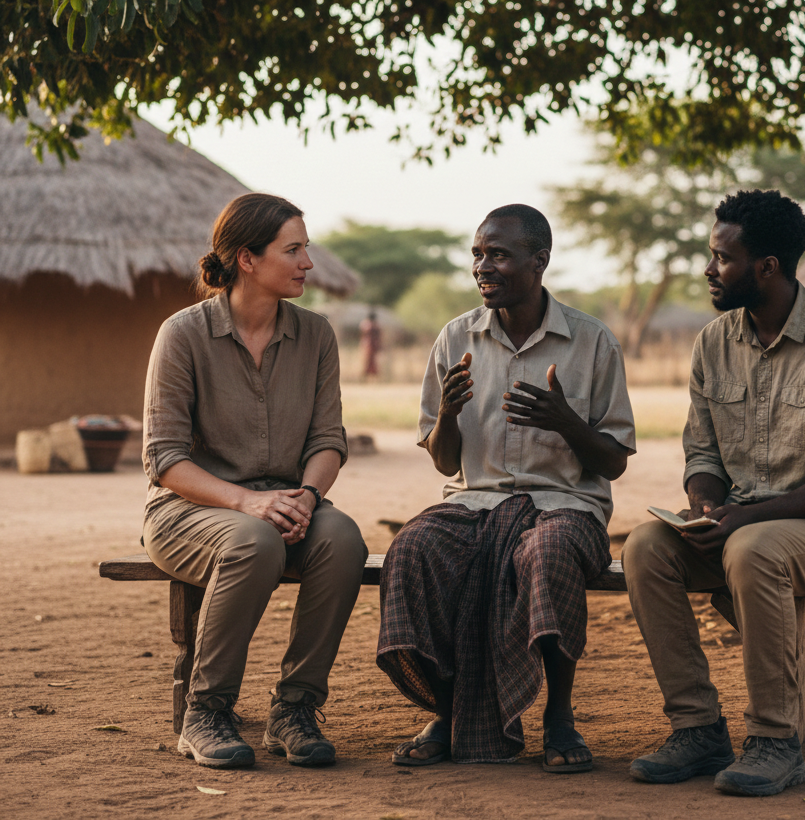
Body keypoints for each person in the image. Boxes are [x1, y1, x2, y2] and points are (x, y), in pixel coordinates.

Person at [623, 189, 805, 797]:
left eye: (722, 258)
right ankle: (696, 727)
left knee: (754, 549)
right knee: (644, 548)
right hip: (741, 522)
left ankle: (775, 742)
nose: (709, 270)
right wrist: (708, 504)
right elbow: (703, 453)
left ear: (766, 267)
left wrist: (742, 520)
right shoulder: (713, 342)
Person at [377, 204, 635, 771]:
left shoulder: (592, 343)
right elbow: (446, 465)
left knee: (548, 553)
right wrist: (447, 412)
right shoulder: (455, 339)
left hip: (565, 505)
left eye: (498, 254)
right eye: (477, 254)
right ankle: (447, 715)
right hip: (476, 503)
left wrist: (564, 420)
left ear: (539, 261)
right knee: (413, 549)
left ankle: (559, 719)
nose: (483, 267)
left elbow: (613, 463)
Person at [142, 193, 368, 770]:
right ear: (247, 259)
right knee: (254, 538)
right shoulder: (183, 335)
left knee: (343, 539)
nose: (308, 263)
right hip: (188, 510)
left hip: (290, 504)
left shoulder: (316, 336)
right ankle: (206, 712)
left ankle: (295, 708)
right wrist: (250, 502)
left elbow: (327, 440)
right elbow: (164, 459)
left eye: (306, 249)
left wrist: (308, 496)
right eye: (293, 250)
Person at [360, 310, 382, 379]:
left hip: (370, 345)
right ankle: (366, 377)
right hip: (370, 345)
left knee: (372, 362)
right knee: (368, 361)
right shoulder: (371, 325)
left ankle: (371, 377)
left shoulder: (367, 325)